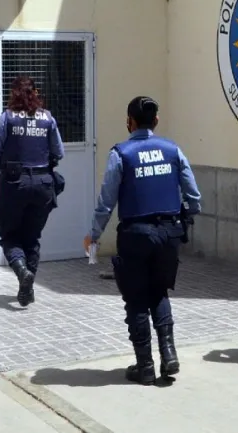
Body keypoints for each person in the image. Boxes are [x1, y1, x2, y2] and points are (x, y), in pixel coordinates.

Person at [86, 95, 201, 385]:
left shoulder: (121, 153)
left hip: (135, 234)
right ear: (156, 120)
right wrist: (186, 216)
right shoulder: (172, 149)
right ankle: (169, 355)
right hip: (169, 232)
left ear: (130, 121)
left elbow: (106, 201)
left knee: (136, 299)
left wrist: (94, 235)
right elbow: (193, 195)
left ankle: (145, 366)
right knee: (159, 292)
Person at [0, 75, 65, 307]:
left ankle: (22, 272)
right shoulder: (48, 118)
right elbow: (59, 152)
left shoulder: (7, 117)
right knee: (31, 238)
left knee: (9, 234)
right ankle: (27, 289)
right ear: (36, 93)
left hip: (14, 183)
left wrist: (8, 170)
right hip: (43, 185)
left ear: (13, 94)